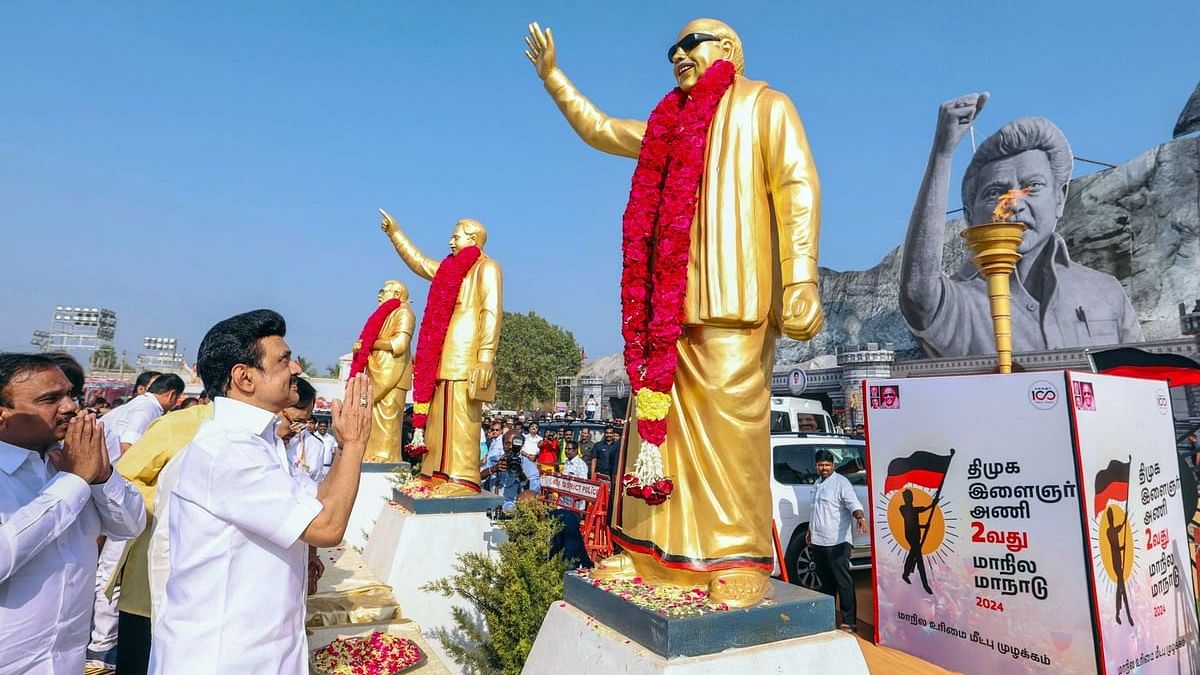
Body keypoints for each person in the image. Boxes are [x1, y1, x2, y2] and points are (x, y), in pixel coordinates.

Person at [526, 18, 822, 606]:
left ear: (730, 50)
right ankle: (648, 558)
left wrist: (802, 275)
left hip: (732, 298)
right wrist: (555, 78)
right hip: (665, 309)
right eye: (673, 49)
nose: (679, 55)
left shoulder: (765, 105)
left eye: (693, 43)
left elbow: (797, 186)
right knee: (650, 433)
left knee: (729, 432)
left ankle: (735, 557)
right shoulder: (668, 124)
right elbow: (603, 129)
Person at [148, 310, 372, 674]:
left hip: (262, 650)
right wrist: (357, 443)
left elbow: (315, 505)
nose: (297, 367)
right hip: (224, 657)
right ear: (245, 377)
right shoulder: (229, 450)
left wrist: (346, 447)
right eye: (283, 359)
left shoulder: (260, 442)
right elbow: (327, 528)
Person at [900, 95, 1143, 358]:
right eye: (995, 192)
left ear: (1060, 198)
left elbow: (1145, 377)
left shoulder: (1105, 291)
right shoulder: (959, 303)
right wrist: (943, 154)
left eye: (1033, 187)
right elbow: (918, 292)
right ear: (971, 214)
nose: (1014, 204)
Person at [0, 353, 145, 674]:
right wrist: (74, 482)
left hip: (66, 659)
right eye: (50, 399)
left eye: (71, 394)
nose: (70, 407)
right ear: (3, 414)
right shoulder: (68, 475)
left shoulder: (68, 460)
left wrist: (102, 475)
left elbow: (130, 525)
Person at [381, 210, 503, 496]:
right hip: (440, 351)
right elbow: (420, 263)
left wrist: (485, 355)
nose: (450, 241)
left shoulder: (486, 268)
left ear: (473, 238)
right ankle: (431, 474)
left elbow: (492, 312)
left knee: (460, 416)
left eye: (455, 236)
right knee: (436, 418)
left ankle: (461, 478)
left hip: (466, 353)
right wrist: (395, 234)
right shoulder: (449, 268)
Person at [110, 400, 215, 675]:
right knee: (143, 652)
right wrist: (171, 504)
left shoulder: (265, 434)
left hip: (212, 577)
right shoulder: (179, 424)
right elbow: (124, 478)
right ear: (243, 377)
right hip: (158, 563)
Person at [87, 372, 184, 668]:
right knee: (112, 572)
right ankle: (101, 646)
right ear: (171, 396)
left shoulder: (136, 406)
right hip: (116, 494)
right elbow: (131, 449)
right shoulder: (148, 410)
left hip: (109, 491)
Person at [352, 280, 415, 462]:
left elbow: (400, 344)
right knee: (372, 417)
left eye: (383, 291)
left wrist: (369, 344)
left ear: (397, 294)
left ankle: (386, 456)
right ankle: (370, 453)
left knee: (388, 418)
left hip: (393, 375)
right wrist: (363, 346)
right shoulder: (383, 314)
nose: (379, 295)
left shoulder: (404, 313)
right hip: (377, 371)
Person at [807, 449, 866, 633]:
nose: (824, 468)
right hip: (819, 541)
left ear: (833, 465)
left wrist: (860, 518)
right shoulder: (817, 484)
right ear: (815, 466)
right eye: (820, 465)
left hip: (838, 542)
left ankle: (849, 621)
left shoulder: (841, 483)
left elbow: (853, 504)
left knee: (843, 581)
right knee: (825, 582)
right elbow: (815, 512)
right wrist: (810, 531)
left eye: (827, 465)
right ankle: (828, 617)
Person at [279, 378, 330, 483]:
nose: (297, 429)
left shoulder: (315, 445)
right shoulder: (254, 441)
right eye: (296, 420)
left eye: (304, 422)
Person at [898, 489, 935, 595]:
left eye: (910, 496)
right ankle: (925, 585)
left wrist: (932, 505)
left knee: (913, 555)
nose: (909, 499)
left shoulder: (913, 509)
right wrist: (931, 506)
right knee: (919, 559)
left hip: (915, 535)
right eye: (907, 497)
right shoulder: (903, 508)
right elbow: (913, 516)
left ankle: (906, 573)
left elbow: (920, 511)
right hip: (911, 536)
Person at [1105, 506, 1134, 626]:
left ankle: (1118, 612)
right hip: (1115, 562)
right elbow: (1113, 544)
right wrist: (1121, 548)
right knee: (1122, 588)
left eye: (1112, 516)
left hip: (1119, 561)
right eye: (1110, 516)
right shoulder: (1108, 531)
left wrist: (1125, 518)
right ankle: (1127, 614)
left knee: (1120, 587)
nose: (1111, 518)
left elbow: (1121, 528)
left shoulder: (1114, 529)